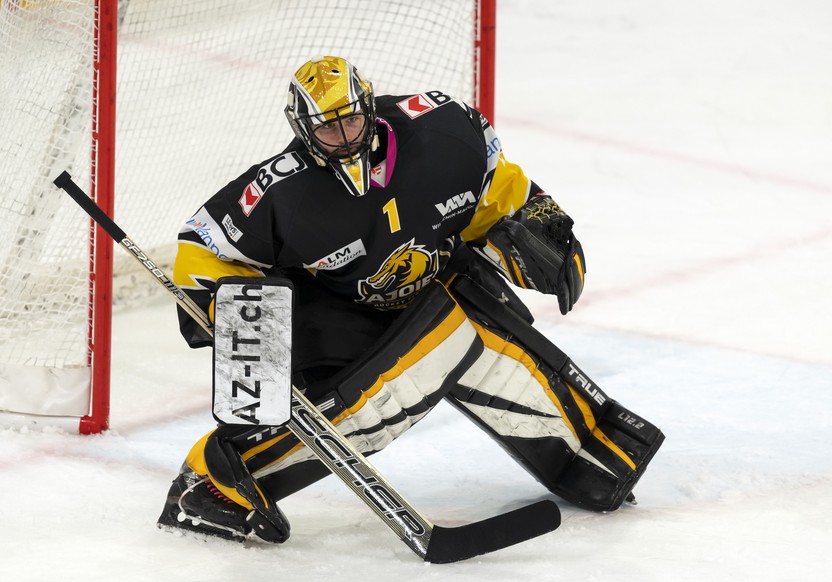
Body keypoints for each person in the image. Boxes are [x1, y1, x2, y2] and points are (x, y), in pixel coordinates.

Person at [157, 56, 664, 543]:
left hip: (441, 283)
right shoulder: (281, 193)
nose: (344, 136)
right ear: (301, 129)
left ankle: (586, 456)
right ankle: (214, 481)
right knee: (389, 394)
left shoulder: (444, 130)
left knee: (496, 353)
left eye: (351, 120)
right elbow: (201, 249)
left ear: (369, 105)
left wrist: (543, 225)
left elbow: (498, 190)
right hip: (339, 317)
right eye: (327, 130)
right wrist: (237, 318)